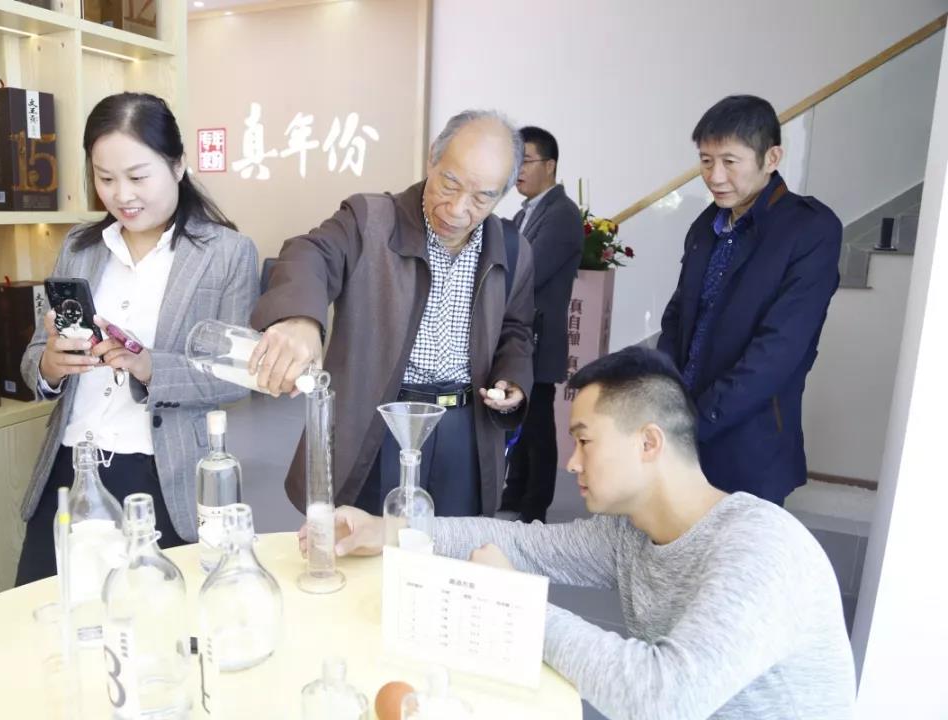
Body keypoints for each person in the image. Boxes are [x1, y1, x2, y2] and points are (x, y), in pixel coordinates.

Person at [311, 347, 856, 718]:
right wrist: (389, 529)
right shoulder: (631, 533)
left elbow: (661, 699)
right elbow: (524, 544)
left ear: (649, 442)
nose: (572, 463)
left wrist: (514, 602)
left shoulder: (760, 549)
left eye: (585, 441)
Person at [14, 93, 259, 585]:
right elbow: (35, 356)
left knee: (152, 618)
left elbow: (237, 378)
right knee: (52, 612)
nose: (122, 195)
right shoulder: (79, 246)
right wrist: (51, 366)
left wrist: (148, 366)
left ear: (178, 165)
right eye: (105, 179)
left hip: (160, 475)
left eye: (138, 177)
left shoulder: (228, 253)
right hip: (71, 466)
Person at [249, 109, 535, 517]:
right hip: (377, 421)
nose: (457, 209)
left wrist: (513, 377)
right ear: (432, 158)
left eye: (481, 198)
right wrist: (300, 320)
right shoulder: (370, 220)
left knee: (455, 545)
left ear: (503, 194)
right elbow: (310, 253)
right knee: (364, 542)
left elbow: (516, 329)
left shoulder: (513, 248)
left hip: (465, 429)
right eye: (449, 183)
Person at [657, 94, 842, 505]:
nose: (715, 176)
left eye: (730, 161)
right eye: (706, 161)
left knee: (735, 545)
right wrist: (664, 396)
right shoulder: (706, 224)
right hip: (680, 431)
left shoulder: (809, 229)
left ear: (771, 158)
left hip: (749, 439)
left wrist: (699, 419)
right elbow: (678, 315)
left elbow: (779, 349)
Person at [500, 126, 583, 523]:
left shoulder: (562, 214)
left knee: (538, 426)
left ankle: (535, 507)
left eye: (526, 161)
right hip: (522, 335)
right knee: (522, 420)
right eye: (515, 161)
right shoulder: (524, 212)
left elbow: (528, 271)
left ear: (549, 166)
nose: (518, 170)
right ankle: (515, 492)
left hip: (540, 337)